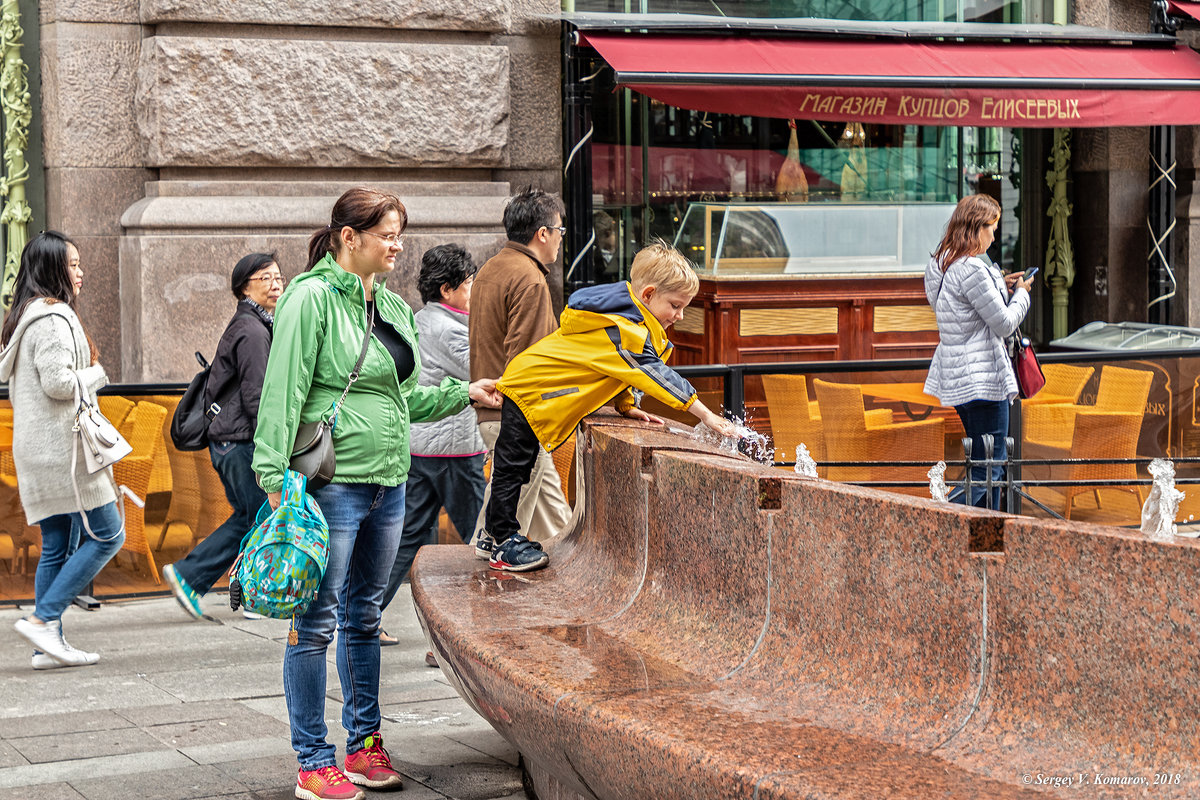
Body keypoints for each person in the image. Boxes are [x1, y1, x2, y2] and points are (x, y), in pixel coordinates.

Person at [252, 187, 500, 800]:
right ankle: (313, 761)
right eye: (386, 235)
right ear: (347, 236)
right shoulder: (310, 300)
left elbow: (400, 397)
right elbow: (282, 391)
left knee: (364, 616)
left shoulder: (386, 304)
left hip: (389, 478)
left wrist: (463, 394)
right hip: (331, 483)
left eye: (398, 234)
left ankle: (363, 745)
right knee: (314, 623)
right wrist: (275, 478)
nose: (396, 246)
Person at [483, 240, 740, 572]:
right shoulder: (622, 329)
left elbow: (614, 372)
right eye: (675, 306)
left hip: (532, 389)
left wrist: (625, 404)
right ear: (647, 295)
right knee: (513, 469)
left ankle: (492, 535)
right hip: (531, 390)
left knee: (519, 467)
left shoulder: (626, 323)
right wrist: (705, 414)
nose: (679, 316)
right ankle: (502, 543)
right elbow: (649, 371)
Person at [0, 231, 126, 668]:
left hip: (40, 452)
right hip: (65, 454)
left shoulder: (26, 318)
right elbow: (57, 384)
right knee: (110, 534)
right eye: (72, 264)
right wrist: (95, 374)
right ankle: (43, 620)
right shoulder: (53, 319)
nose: (81, 271)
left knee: (57, 544)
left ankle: (46, 646)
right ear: (53, 269)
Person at [162, 252, 283, 619]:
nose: (276, 284)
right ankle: (192, 576)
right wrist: (273, 444)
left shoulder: (252, 324)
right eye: (266, 278)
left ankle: (235, 589)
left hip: (231, 440)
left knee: (254, 514)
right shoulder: (251, 330)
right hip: (239, 442)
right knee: (257, 515)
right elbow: (257, 395)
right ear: (244, 286)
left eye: (279, 276)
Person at [379, 244, 485, 651]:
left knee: (407, 540)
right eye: (470, 284)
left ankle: (365, 617)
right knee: (482, 540)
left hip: (421, 447)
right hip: (453, 452)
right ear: (447, 289)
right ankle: (467, 638)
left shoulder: (420, 319)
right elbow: (483, 372)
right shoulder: (447, 329)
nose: (474, 291)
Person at [469, 187, 573, 559]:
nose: (561, 240)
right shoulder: (529, 278)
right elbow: (530, 365)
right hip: (517, 419)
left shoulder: (492, 269)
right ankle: (481, 599)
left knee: (560, 524)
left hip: (498, 413)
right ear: (542, 233)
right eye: (560, 230)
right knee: (496, 534)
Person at [923, 194, 1033, 510]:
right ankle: (938, 517)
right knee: (991, 468)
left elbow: (960, 305)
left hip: (957, 378)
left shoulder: (939, 264)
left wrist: (999, 281)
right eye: (992, 227)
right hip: (983, 380)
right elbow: (1004, 323)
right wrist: (1021, 295)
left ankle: (984, 537)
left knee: (981, 466)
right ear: (976, 227)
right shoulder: (972, 269)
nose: (995, 235)